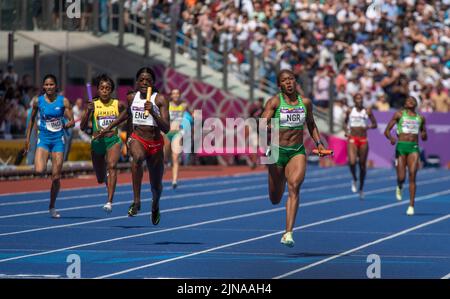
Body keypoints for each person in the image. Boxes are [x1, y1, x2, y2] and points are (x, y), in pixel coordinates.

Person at [261, 69, 328, 247]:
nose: (289, 82)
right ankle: (279, 176)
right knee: (275, 198)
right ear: (279, 85)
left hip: (297, 151)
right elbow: (262, 123)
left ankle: (288, 233)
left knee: (295, 187)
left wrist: (319, 144)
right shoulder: (275, 102)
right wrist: (269, 128)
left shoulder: (305, 102)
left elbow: (311, 124)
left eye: (291, 79)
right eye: (285, 80)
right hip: (276, 151)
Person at [96, 67, 170, 225]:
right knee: (137, 157)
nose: (144, 83)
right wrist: (109, 127)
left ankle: (155, 204)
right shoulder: (132, 97)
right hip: (138, 138)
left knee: (156, 187)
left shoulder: (160, 99)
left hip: (155, 144)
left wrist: (153, 112)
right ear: (137, 82)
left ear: (153, 83)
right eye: (141, 80)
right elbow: (126, 114)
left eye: (148, 80)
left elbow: (166, 128)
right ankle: (136, 201)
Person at [24, 74, 75, 218]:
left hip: (58, 140)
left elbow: (72, 121)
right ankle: (50, 170)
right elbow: (32, 119)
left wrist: (68, 123)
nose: (49, 87)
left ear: (56, 86)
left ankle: (52, 206)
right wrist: (27, 139)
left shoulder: (63, 101)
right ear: (43, 86)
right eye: (46, 85)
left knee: (56, 177)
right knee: (39, 170)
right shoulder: (37, 101)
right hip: (44, 139)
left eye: (51, 84)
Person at [80, 74, 126, 213]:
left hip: (113, 140)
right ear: (98, 90)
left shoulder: (118, 104)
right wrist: (88, 112)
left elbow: (127, 112)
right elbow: (82, 127)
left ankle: (109, 201)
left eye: (108, 88)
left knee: (112, 166)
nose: (105, 90)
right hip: (97, 142)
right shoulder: (93, 104)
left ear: (111, 90)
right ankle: (106, 180)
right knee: (100, 178)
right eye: (102, 88)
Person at [384, 96, 427, 216]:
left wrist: (424, 135)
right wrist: (392, 138)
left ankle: (411, 205)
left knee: (412, 174)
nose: (411, 101)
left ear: (416, 104)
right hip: (401, 147)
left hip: (413, 147)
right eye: (408, 100)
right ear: (405, 104)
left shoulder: (420, 118)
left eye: (413, 100)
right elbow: (386, 131)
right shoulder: (399, 115)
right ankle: (399, 185)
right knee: (402, 177)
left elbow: (424, 133)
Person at [343, 92, 378, 199]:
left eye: (361, 98)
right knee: (352, 162)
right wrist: (346, 130)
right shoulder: (350, 110)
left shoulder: (367, 111)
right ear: (354, 100)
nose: (359, 100)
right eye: (357, 98)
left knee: (362, 165)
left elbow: (375, 124)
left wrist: (368, 126)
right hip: (352, 138)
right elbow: (345, 123)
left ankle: (361, 188)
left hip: (363, 139)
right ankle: (354, 179)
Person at [163, 88, 189, 189]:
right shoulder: (167, 104)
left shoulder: (184, 105)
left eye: (177, 93)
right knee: (166, 153)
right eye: (173, 93)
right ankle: (165, 162)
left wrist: (193, 116)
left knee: (175, 157)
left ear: (180, 95)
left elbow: (190, 115)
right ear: (171, 95)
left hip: (178, 132)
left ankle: (174, 180)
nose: (175, 95)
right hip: (168, 132)